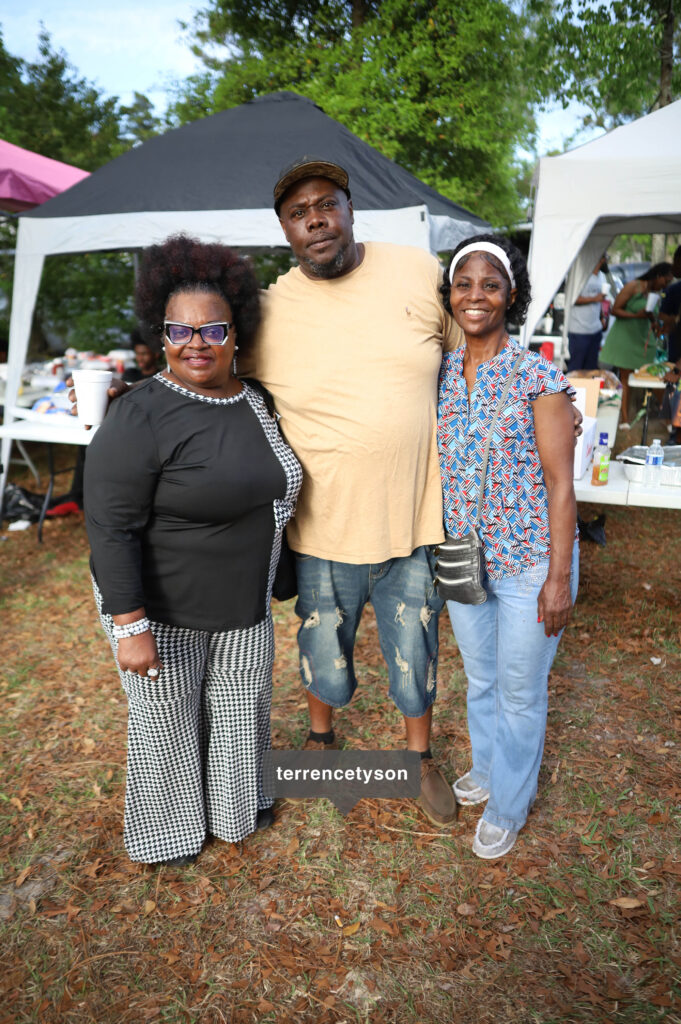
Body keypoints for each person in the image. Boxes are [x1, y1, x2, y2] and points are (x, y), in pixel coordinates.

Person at [83, 235, 302, 866]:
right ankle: (169, 835)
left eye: (213, 329)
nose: (196, 343)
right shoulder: (139, 414)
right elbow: (110, 528)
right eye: (180, 330)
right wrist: (130, 626)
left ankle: (237, 809)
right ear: (161, 334)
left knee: (240, 711)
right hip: (161, 607)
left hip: (243, 601)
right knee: (167, 722)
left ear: (236, 332)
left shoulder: (256, 400)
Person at [437, 234, 579, 859]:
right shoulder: (439, 374)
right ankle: (488, 767)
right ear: (450, 294)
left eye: (490, 285)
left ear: (510, 295)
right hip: (464, 559)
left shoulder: (538, 377)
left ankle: (508, 805)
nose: (476, 296)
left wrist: (558, 577)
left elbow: (561, 483)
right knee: (481, 679)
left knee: (521, 692)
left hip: (528, 564)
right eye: (464, 284)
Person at [599, 262, 674, 426]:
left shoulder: (655, 292)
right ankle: (625, 420)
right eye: (666, 281)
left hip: (643, 339)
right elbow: (615, 310)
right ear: (658, 275)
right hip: (626, 337)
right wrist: (636, 316)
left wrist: (654, 322)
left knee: (654, 377)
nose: (666, 285)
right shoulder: (633, 286)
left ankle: (668, 419)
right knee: (625, 378)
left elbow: (650, 314)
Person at [566, 255, 608, 372]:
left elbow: (600, 299)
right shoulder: (580, 276)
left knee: (591, 370)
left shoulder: (602, 276)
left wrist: (602, 317)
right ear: (600, 258)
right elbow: (572, 299)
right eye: (605, 256)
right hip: (579, 330)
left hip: (595, 329)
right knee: (576, 369)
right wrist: (594, 298)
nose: (606, 259)